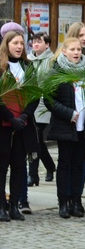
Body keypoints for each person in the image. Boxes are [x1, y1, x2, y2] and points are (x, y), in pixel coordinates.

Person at [46, 37, 85, 219]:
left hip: (82, 127)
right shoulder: (57, 72)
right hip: (66, 126)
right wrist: (68, 113)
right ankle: (63, 202)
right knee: (65, 164)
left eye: (79, 49)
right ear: (64, 51)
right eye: (72, 49)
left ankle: (76, 200)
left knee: (78, 164)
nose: (76, 52)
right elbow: (49, 100)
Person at [0, 30, 38, 222]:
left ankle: (15, 205)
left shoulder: (28, 67)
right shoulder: (1, 67)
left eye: (21, 44)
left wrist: (24, 116)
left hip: (22, 124)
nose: (18, 47)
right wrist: (9, 117)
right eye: (15, 43)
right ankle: (1, 206)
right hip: (4, 124)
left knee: (18, 165)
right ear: (7, 45)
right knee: (2, 166)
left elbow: (35, 95)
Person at [26, 32, 56, 188]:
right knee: (37, 141)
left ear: (47, 45)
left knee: (36, 140)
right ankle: (50, 167)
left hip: (44, 107)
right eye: (34, 41)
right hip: (30, 105)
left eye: (39, 41)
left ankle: (33, 175)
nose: (35, 44)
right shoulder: (28, 59)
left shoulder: (52, 61)